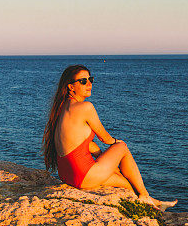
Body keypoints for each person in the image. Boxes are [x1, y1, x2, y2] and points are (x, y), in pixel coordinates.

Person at [42, 65, 176, 211]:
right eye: (83, 81)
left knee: (125, 183)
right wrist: (116, 143)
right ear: (70, 87)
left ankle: (152, 201)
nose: (89, 84)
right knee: (122, 147)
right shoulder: (85, 107)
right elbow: (106, 138)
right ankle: (144, 194)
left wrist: (103, 157)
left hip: (67, 176)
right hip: (83, 175)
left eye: (90, 79)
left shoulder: (62, 107)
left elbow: (82, 143)